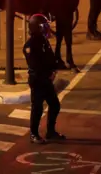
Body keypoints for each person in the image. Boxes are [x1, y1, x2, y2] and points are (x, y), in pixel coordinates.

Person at [23, 14, 65, 144]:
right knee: (37, 108)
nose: (47, 29)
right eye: (44, 26)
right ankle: (33, 134)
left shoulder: (43, 41)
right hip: (38, 80)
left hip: (46, 79)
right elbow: (36, 65)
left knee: (55, 105)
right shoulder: (30, 46)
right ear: (37, 28)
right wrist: (48, 73)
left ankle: (50, 132)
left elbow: (50, 58)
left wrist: (54, 69)